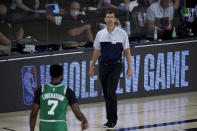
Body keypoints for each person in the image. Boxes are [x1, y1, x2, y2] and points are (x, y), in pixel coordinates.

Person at [89, 10, 132, 129]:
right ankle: (109, 120)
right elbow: (96, 51)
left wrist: (130, 67)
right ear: (105, 19)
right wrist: (92, 67)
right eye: (108, 17)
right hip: (103, 66)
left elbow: (127, 51)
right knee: (106, 94)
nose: (110, 19)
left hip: (116, 65)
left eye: (112, 17)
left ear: (115, 19)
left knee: (111, 92)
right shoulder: (100, 34)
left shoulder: (122, 33)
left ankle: (113, 120)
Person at [29, 64, 88, 131]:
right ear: (62, 74)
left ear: (50, 74)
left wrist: (32, 130)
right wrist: (84, 121)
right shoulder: (67, 91)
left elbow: (34, 113)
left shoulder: (41, 90)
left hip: (44, 126)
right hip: (60, 127)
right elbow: (78, 113)